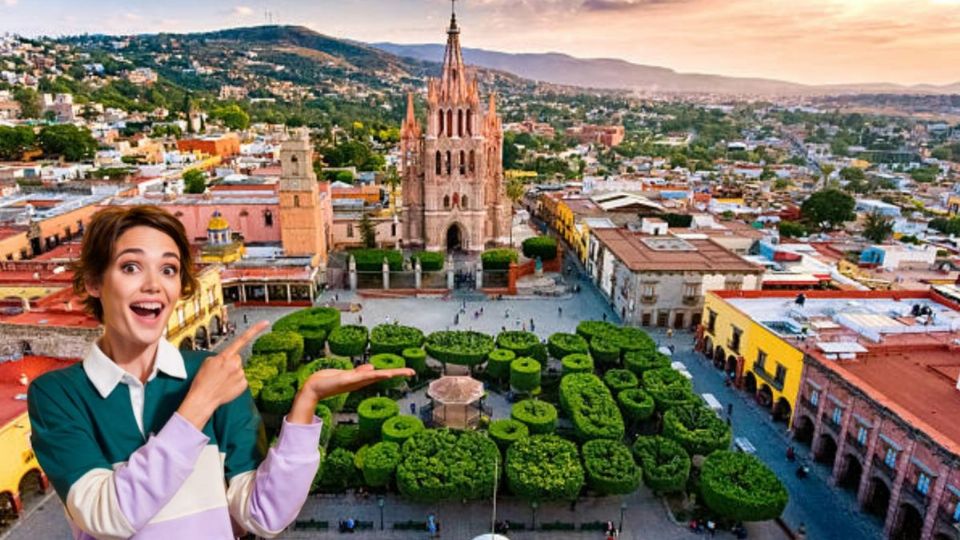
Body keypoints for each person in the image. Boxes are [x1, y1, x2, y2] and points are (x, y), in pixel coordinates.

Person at [27, 206, 415, 540]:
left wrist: (306, 401)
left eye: (168, 269)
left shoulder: (212, 372)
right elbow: (105, 514)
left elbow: (264, 514)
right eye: (131, 266)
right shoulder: (59, 395)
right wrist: (198, 403)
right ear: (94, 281)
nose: (153, 285)